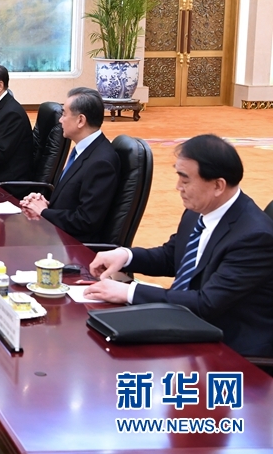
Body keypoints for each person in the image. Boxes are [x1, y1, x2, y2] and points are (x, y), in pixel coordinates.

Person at [84, 134, 273, 357]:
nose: (178, 187)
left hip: (229, 349)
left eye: (185, 180)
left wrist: (129, 292)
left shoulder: (254, 236)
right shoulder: (198, 211)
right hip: (186, 323)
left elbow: (207, 303)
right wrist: (126, 256)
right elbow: (172, 256)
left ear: (218, 185)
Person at [20, 87, 119, 243]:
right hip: (58, 235)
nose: (60, 120)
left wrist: (44, 212)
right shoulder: (83, 150)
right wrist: (43, 203)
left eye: (64, 114)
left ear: (80, 120)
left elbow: (86, 221)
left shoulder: (101, 163)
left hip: (73, 246)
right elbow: (72, 201)